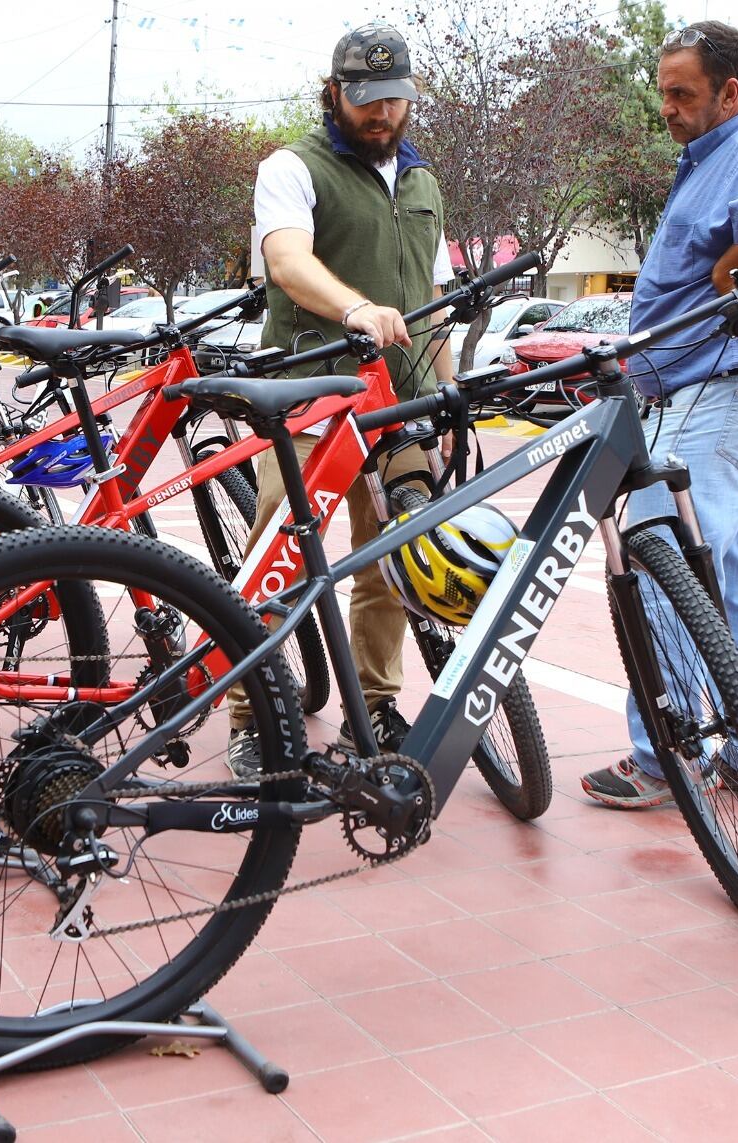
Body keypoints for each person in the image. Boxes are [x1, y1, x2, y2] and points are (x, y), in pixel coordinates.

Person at [580, 20, 738, 809]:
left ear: (731, 92)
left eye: (683, 93)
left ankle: (663, 753)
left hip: (724, 389)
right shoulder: (711, 161)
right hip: (725, 393)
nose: (668, 107)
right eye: (664, 91)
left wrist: (728, 280)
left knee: (660, 563)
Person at [225, 21, 456, 778]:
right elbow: (287, 261)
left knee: (392, 558)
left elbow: (434, 298)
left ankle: (377, 702)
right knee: (279, 555)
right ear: (333, 96)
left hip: (400, 402)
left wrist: (447, 395)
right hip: (309, 396)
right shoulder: (291, 167)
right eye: (366, 100)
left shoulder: (424, 183)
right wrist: (353, 307)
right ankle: (250, 710)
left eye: (394, 99)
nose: (381, 114)